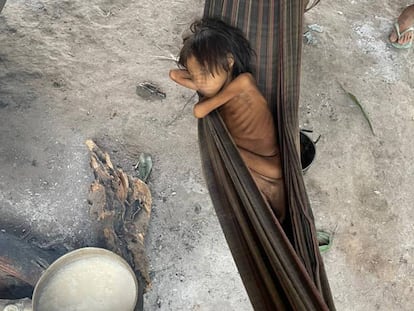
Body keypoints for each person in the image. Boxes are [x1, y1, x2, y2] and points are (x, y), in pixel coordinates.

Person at [169, 18, 286, 222]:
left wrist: (198, 81)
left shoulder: (243, 83)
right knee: (244, 196)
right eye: (195, 75)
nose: (200, 82)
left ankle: (277, 224)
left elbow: (199, 111)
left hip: (270, 167)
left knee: (226, 154)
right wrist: (199, 76)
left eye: (204, 73)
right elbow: (174, 74)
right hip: (250, 163)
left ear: (229, 62)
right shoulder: (218, 85)